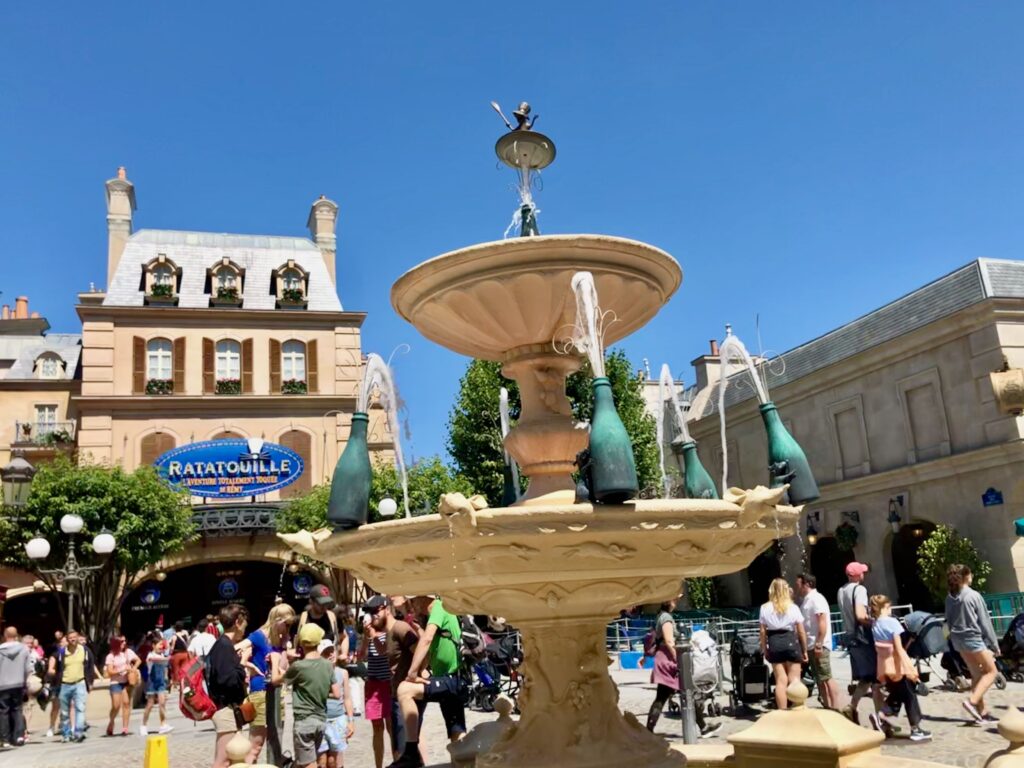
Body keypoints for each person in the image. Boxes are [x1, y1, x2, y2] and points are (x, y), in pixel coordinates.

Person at [390, 596, 466, 768]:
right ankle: (463, 763)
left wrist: (412, 673)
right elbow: (430, 647)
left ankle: (411, 752)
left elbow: (426, 640)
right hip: (451, 678)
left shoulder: (440, 606)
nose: (413, 605)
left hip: (451, 679)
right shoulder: (437, 613)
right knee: (457, 734)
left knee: (405, 690)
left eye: (414, 600)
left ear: (424, 598)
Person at [639, 597, 720, 738]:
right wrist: (680, 660)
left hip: (663, 661)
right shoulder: (666, 618)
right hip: (668, 662)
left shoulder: (660, 616)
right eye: (675, 600)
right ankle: (648, 732)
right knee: (683, 693)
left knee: (675, 695)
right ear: (668, 601)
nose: (676, 602)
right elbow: (669, 641)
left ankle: (649, 731)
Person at [271, 622, 339, 768]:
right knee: (302, 761)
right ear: (319, 642)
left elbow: (275, 680)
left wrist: (274, 661)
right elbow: (337, 693)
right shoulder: (327, 665)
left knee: (308, 763)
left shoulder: (298, 666)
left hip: (304, 721)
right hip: (321, 721)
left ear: (301, 642)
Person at [239, 603, 296, 763]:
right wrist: (248, 664)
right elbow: (236, 649)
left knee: (276, 741)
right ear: (277, 620)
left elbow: (282, 668)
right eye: (286, 624)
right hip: (260, 691)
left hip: (277, 692)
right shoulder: (258, 636)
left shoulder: (279, 638)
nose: (288, 627)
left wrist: (284, 646)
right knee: (256, 744)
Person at [870, 595, 931, 741]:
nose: (891, 610)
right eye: (889, 607)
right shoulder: (892, 623)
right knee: (910, 696)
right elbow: (899, 649)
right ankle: (915, 729)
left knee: (897, 694)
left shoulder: (875, 624)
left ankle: (881, 715)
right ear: (885, 607)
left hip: (885, 666)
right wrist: (911, 671)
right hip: (898, 666)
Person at [946, 563, 1001, 724]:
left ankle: (982, 713)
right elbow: (985, 622)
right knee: (992, 672)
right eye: (970, 574)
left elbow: (948, 621)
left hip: (958, 639)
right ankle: (972, 701)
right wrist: (994, 644)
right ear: (965, 577)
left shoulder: (950, 597)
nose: (972, 577)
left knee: (976, 674)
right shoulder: (973, 595)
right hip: (973, 638)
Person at [838, 562, 885, 724]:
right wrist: (876, 622)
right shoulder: (860, 590)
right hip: (863, 637)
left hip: (850, 637)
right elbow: (860, 615)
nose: (864, 575)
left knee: (866, 677)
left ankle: (851, 707)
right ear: (857, 575)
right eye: (862, 572)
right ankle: (882, 718)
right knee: (877, 678)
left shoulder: (841, 590)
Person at [208, 604, 250, 768]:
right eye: (245, 622)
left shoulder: (224, 645)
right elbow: (228, 681)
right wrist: (243, 662)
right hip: (225, 709)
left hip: (228, 709)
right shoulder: (224, 646)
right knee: (224, 759)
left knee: (232, 759)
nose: (245, 627)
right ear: (238, 622)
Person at [759, 578, 807, 710]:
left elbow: (763, 631)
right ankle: (798, 707)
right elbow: (801, 631)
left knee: (781, 680)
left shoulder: (764, 608)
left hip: (774, 641)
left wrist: (765, 648)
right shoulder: (793, 607)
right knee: (795, 679)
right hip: (790, 639)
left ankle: (782, 711)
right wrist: (804, 649)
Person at [796, 574, 841, 710]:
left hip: (818, 645)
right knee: (820, 679)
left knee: (826, 677)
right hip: (811, 644)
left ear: (807, 584)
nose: (797, 586)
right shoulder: (807, 600)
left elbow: (822, 622)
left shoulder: (816, 599)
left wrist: (819, 643)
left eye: (799, 583)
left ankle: (836, 706)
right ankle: (828, 706)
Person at [385, 596, 421, 761]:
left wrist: (416, 673)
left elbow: (420, 651)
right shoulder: (390, 631)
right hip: (395, 691)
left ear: (385, 610)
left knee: (404, 746)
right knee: (404, 744)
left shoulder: (401, 628)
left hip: (404, 691)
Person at [363, 595, 396, 768]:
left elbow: (385, 652)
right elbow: (361, 656)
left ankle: (397, 762)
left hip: (387, 683)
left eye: (373, 612)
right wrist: (366, 636)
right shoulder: (369, 632)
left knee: (391, 726)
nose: (371, 616)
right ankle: (378, 765)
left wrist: (374, 636)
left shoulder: (390, 630)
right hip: (372, 682)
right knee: (377, 729)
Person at [49, 629, 96, 743]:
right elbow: (53, 661)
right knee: (65, 712)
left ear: (78, 637)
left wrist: (90, 682)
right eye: (70, 638)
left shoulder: (84, 651)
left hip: (79, 683)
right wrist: (51, 670)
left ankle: (79, 732)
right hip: (65, 685)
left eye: (74, 637)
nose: (73, 640)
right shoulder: (62, 652)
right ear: (67, 639)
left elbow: (90, 666)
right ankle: (66, 734)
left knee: (80, 709)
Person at [318, 640, 355, 768]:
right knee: (322, 759)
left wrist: (350, 720)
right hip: (321, 719)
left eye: (332, 651)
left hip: (338, 719)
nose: (330, 655)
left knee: (335, 760)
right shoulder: (317, 673)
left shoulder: (343, 673)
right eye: (326, 652)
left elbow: (347, 698)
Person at [0, 626, 33, 747]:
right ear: (16, 635)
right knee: (17, 709)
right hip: (18, 683)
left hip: (2, 685)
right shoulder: (24, 649)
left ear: (5, 635)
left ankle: (5, 739)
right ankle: (19, 736)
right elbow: (28, 668)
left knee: (3, 711)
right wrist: (25, 681)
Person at [104, 635, 140, 737]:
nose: (124, 643)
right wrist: (122, 669)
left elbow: (138, 660)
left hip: (126, 682)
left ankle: (125, 728)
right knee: (116, 706)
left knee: (126, 704)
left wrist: (133, 669)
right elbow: (110, 671)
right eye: (121, 641)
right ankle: (111, 722)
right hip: (115, 682)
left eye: (125, 641)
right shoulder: (111, 656)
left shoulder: (128, 652)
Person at [141, 633, 173, 736]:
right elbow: (156, 660)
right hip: (152, 683)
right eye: (159, 644)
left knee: (162, 703)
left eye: (162, 645)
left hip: (161, 682)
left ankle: (163, 725)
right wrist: (167, 658)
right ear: (153, 645)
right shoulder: (151, 655)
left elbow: (165, 667)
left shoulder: (162, 655)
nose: (161, 647)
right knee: (150, 705)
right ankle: (144, 725)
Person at [169, 621, 191, 689]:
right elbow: (188, 643)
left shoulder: (174, 636)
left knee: (176, 670)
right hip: (185, 654)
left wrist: (170, 653)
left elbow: (172, 648)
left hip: (177, 654)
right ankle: (185, 684)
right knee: (184, 670)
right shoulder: (185, 634)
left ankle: (177, 684)